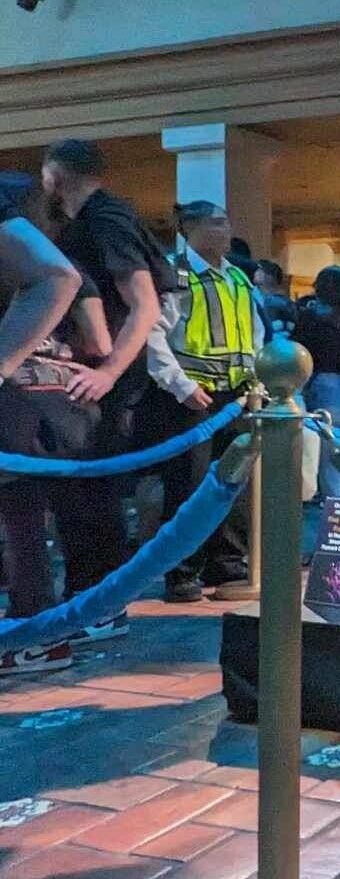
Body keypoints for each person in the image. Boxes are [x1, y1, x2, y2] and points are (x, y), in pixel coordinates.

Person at [41, 139, 173, 640]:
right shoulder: (102, 217)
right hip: (99, 376)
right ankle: (94, 602)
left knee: (92, 492)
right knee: (85, 494)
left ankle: (100, 606)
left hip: (105, 380)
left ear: (56, 175)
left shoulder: (104, 218)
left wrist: (109, 372)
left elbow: (144, 304)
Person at [145, 201, 260, 601]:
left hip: (237, 397)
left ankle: (227, 563)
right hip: (191, 398)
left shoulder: (238, 276)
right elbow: (153, 334)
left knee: (233, 483)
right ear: (188, 229)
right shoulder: (174, 273)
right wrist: (180, 386)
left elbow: (254, 333)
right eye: (216, 222)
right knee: (188, 486)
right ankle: (182, 571)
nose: (226, 229)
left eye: (226, 221)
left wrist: (254, 379)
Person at [0, 185, 90, 675]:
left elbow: (58, 278)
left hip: (16, 402)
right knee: (27, 521)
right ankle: (38, 633)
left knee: (21, 522)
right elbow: (96, 336)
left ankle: (34, 633)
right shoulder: (49, 253)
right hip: (46, 403)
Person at [293, 265, 340, 498]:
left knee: (330, 466)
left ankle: (337, 517)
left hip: (324, 386)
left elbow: (299, 350)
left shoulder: (312, 314)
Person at [253, 259, 296, 338]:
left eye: (259, 270)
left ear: (269, 276)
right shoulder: (253, 294)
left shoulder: (281, 302)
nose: (255, 272)